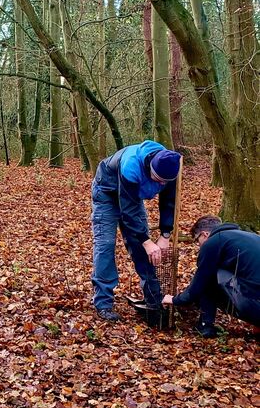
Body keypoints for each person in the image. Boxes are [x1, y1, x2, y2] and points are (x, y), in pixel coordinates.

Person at [91, 140, 181, 322]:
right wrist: (146, 241)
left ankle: (154, 302)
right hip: (107, 193)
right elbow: (128, 212)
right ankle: (103, 303)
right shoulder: (131, 165)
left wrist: (165, 235)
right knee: (106, 245)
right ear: (150, 168)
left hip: (133, 197)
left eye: (164, 181)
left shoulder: (171, 166)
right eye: (157, 179)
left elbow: (169, 202)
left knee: (142, 250)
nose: (161, 184)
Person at [162, 215, 260, 338]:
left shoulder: (214, 241)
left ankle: (205, 326)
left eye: (197, 240)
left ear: (205, 234)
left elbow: (201, 281)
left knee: (208, 276)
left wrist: (175, 300)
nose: (199, 245)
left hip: (254, 305)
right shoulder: (250, 237)